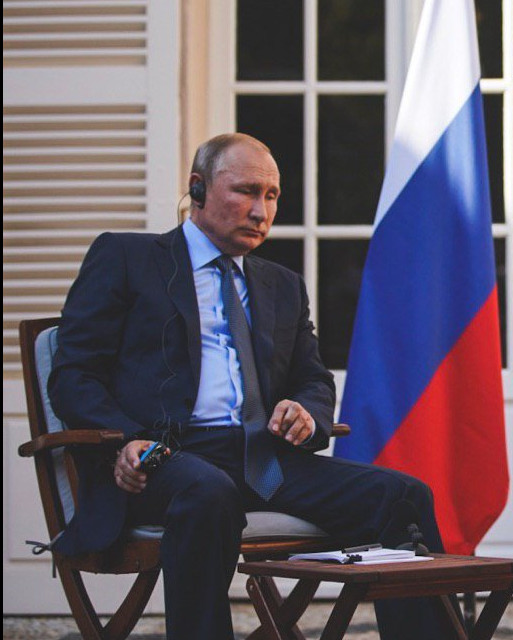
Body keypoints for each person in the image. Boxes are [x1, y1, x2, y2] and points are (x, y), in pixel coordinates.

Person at [48, 133, 448, 640]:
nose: (261, 211)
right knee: (207, 491)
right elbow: (74, 374)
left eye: (272, 195)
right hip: (163, 458)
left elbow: (313, 377)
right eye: (246, 191)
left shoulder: (282, 284)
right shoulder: (127, 257)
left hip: (263, 460)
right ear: (198, 188)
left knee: (402, 495)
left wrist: (306, 411)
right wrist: (127, 438)